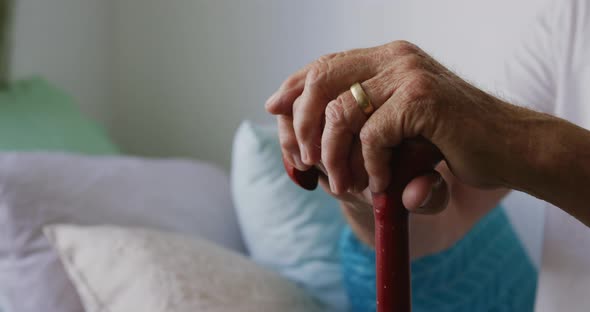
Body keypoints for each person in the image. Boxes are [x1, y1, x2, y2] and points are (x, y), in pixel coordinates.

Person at [266, 0, 590, 311]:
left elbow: (497, 136)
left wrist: (506, 134)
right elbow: (452, 203)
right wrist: (370, 184)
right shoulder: (571, 16)